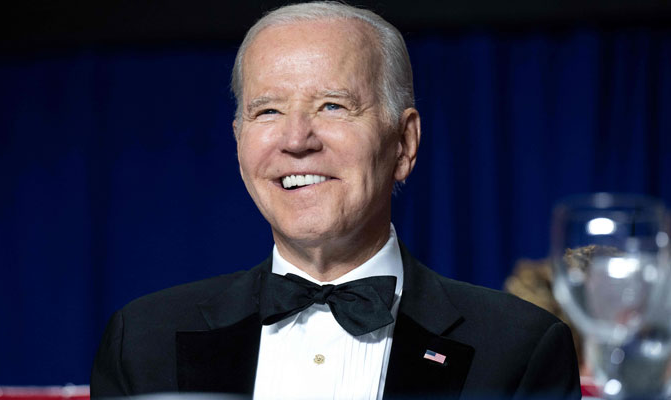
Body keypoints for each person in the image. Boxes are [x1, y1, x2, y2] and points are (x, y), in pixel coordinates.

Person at [91, 2, 581, 399]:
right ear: (238, 143)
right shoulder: (141, 343)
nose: (297, 139)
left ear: (404, 144)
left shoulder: (519, 349)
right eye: (268, 110)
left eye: (332, 106)